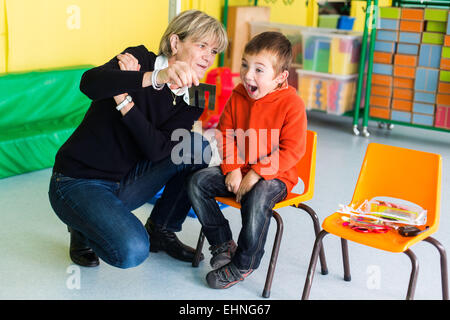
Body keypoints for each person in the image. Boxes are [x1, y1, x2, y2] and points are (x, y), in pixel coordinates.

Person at [48, 10, 227, 269]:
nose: (208, 57)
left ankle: (161, 230)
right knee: (132, 251)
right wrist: (155, 78)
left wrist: (123, 98)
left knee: (196, 147)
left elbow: (158, 150)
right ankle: (82, 227)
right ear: (176, 43)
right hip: (77, 179)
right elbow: (88, 84)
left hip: (125, 182)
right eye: (202, 46)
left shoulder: (198, 94)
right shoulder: (141, 58)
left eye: (214, 51)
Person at [187, 31, 307, 289]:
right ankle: (222, 244)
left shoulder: (292, 104)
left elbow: (293, 150)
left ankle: (244, 262)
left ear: (280, 77)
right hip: (239, 171)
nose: (248, 74)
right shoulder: (239, 94)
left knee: (259, 195)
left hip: (276, 177)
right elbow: (225, 134)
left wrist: (257, 173)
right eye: (244, 65)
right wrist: (232, 169)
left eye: (259, 70)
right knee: (198, 182)